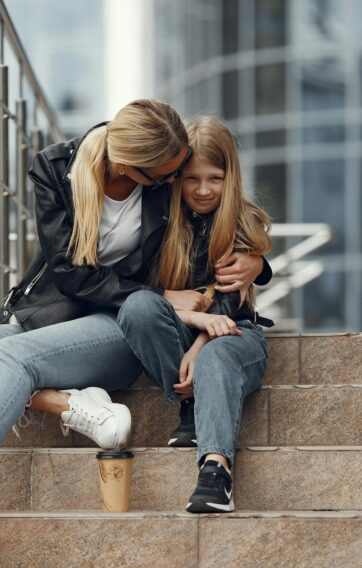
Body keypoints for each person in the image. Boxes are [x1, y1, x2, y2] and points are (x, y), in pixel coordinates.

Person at [0, 100, 265, 536]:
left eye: (176, 175)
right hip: (57, 320)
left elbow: (219, 225)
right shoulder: (58, 170)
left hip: (119, 325)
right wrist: (166, 295)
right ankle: (68, 404)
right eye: (167, 176)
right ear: (129, 166)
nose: (177, 182)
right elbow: (69, 272)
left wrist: (257, 262)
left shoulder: (165, 182)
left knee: (15, 356)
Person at [117, 116, 273, 513]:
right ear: (175, 178)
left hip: (235, 334)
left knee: (216, 356)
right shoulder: (157, 220)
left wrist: (200, 346)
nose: (203, 190)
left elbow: (228, 302)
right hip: (181, 329)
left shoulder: (243, 220)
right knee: (138, 308)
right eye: (192, 179)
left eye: (215, 178)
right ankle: (188, 404)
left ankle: (216, 472)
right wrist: (192, 325)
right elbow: (137, 288)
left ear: (230, 177)